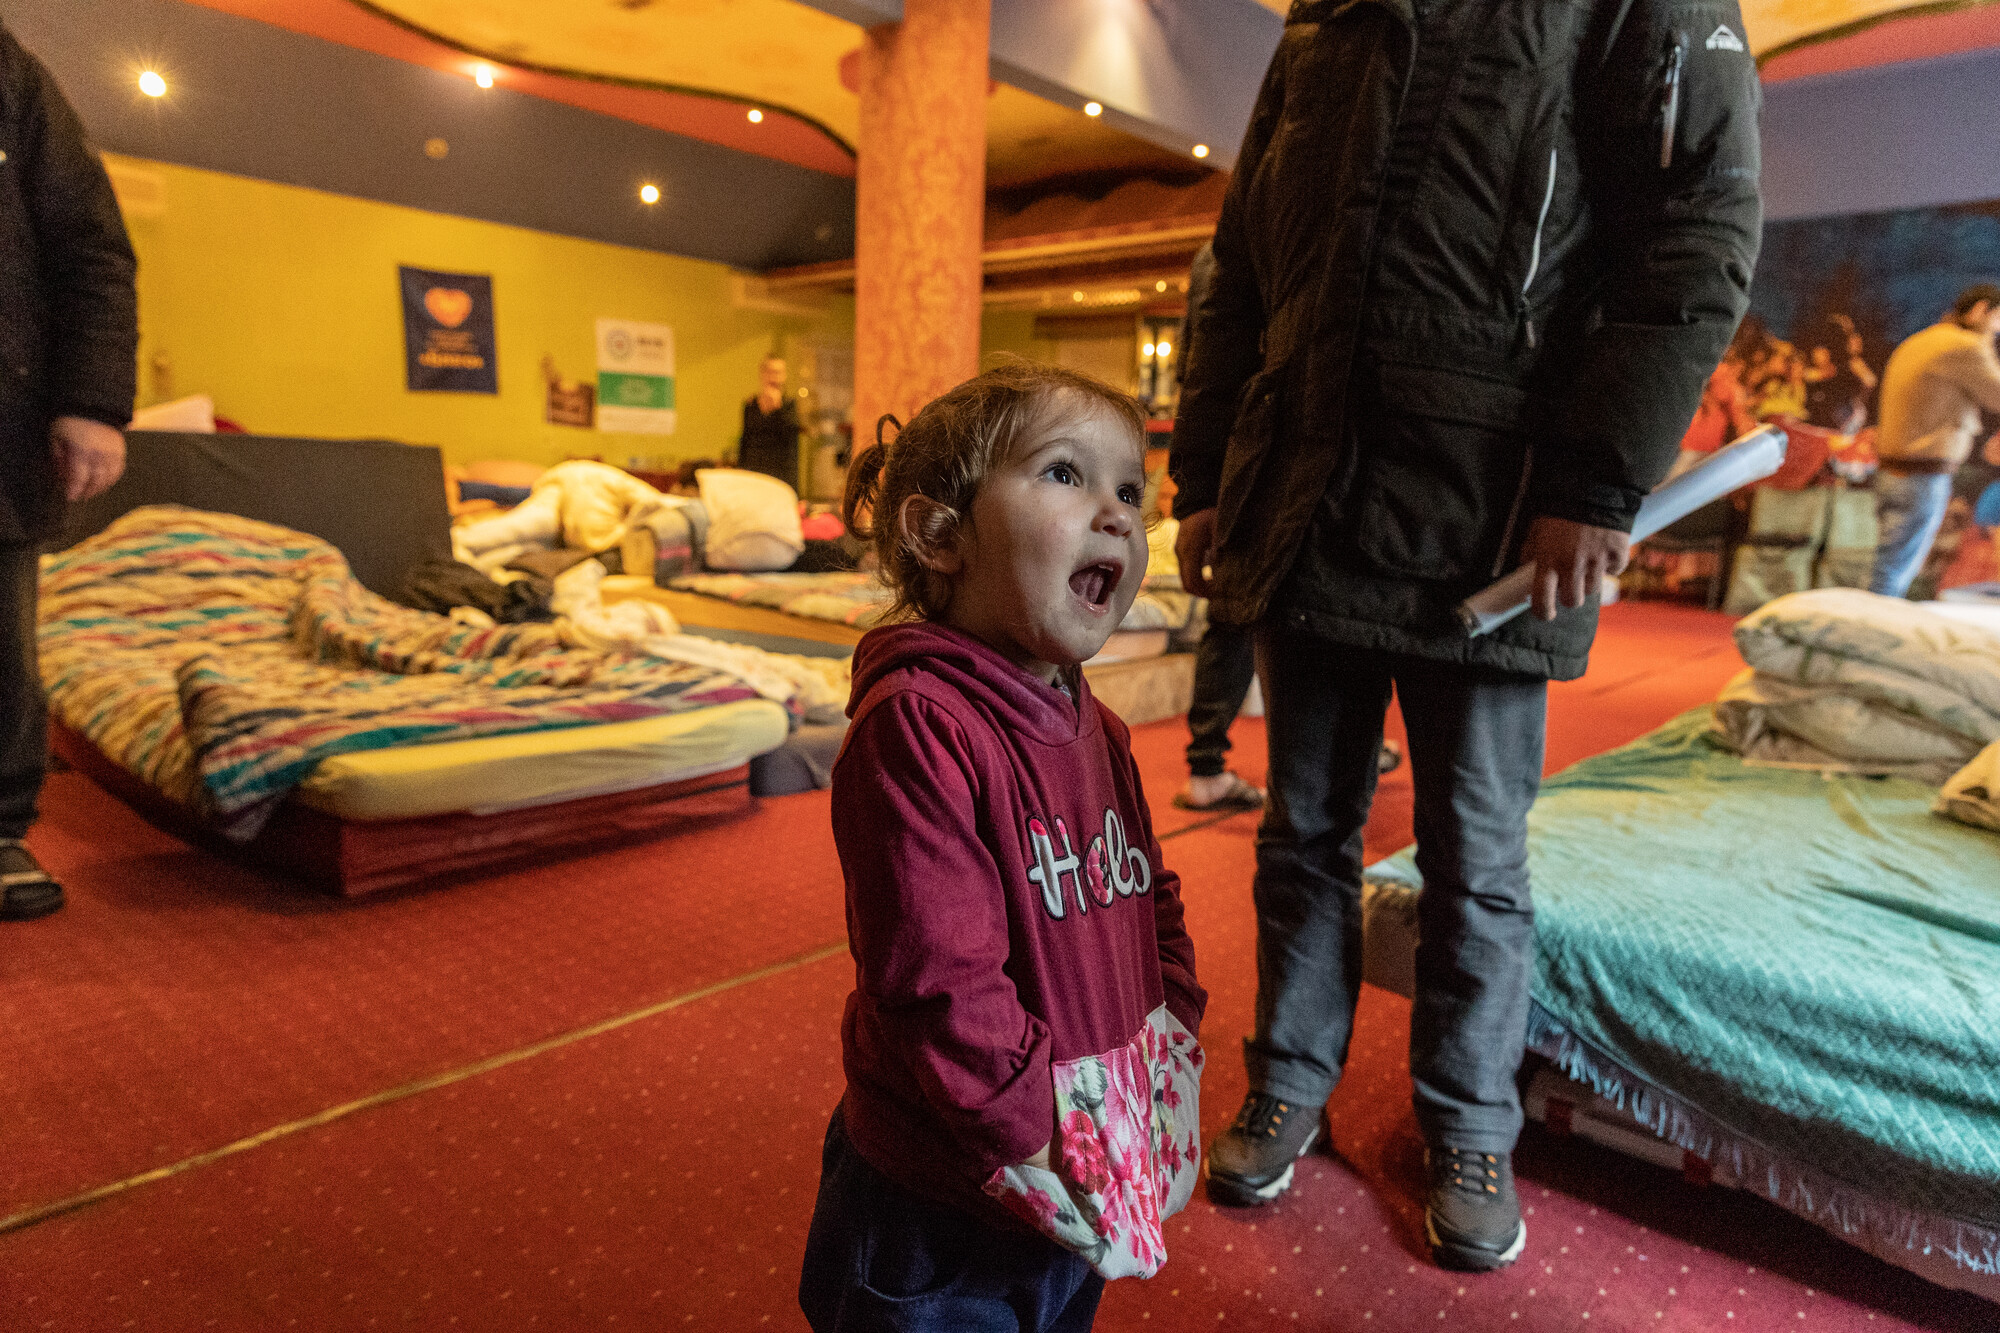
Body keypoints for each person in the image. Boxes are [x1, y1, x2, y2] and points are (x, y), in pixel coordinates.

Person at [1170, 0, 1760, 1274]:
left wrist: (1594, 484)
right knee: (1299, 832)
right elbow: (1239, 257)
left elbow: (1693, 233)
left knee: (1475, 857)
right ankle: (1288, 1079)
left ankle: (1468, 1123)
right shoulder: (1323, 15)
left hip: (1496, 509)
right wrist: (1206, 466)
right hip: (1308, 481)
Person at [799, 362, 1207, 1331]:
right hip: (949, 1195)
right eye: (1066, 474)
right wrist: (1034, 1132)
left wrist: (1170, 1039)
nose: (1116, 513)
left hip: (1078, 1159)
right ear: (938, 534)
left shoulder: (1094, 724)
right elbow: (936, 979)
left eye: (1130, 490)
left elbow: (1149, 896)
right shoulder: (919, 722)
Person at [0, 24, 138, 921]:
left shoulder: (11, 73)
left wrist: (92, 399)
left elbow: (90, 246)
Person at [1868, 284, 2000, 598]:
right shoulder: (1965, 345)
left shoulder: (1923, 339)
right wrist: (1985, 341)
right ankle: (1870, 639)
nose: (1997, 331)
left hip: (1892, 473)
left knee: (1887, 566)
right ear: (1980, 310)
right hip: (1921, 477)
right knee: (1893, 575)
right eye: (1997, 320)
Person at [738, 353, 802, 489]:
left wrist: (778, 409)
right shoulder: (750, 406)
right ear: (763, 374)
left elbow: (791, 444)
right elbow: (745, 442)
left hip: (781, 480)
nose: (775, 378)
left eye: (779, 373)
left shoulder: (790, 406)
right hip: (754, 478)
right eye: (771, 372)